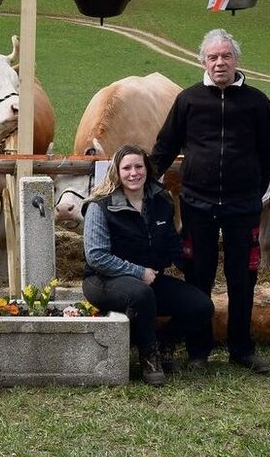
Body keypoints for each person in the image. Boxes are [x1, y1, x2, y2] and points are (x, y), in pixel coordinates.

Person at [151, 29, 270, 374]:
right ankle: (199, 351)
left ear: (236, 60)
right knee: (198, 276)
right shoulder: (188, 100)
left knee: (243, 278)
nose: (219, 62)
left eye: (226, 56)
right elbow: (165, 146)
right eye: (213, 57)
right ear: (203, 61)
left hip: (243, 206)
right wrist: (143, 182)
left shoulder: (257, 101)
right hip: (197, 204)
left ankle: (242, 350)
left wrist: (255, 190)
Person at [82, 144, 213, 385]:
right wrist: (138, 272)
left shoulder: (161, 200)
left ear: (147, 169)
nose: (134, 173)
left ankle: (164, 343)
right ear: (116, 172)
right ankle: (149, 357)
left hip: (148, 279)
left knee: (201, 305)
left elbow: (172, 242)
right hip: (103, 280)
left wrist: (196, 267)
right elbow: (97, 256)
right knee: (142, 294)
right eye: (127, 168)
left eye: (138, 166)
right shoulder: (99, 206)